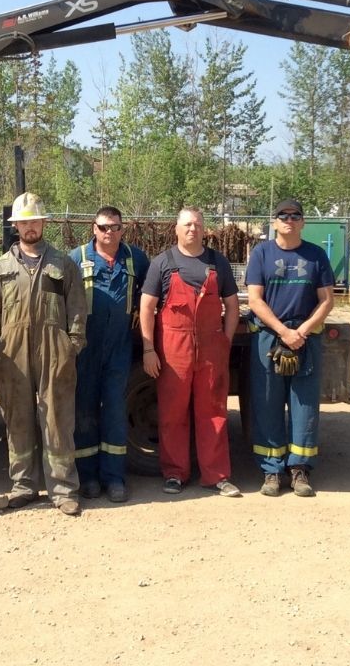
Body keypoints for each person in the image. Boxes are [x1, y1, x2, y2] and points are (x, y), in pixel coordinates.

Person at [0, 192, 86, 516]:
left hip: (55, 350)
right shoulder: (0, 268)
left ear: (44, 223)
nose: (30, 227)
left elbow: (77, 310)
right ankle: (24, 485)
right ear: (16, 226)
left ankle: (63, 489)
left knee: (57, 418)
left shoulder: (63, 264)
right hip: (12, 353)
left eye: (35, 221)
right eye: (24, 222)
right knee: (19, 419)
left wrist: (72, 345)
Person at [140, 207, 241, 497]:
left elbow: (232, 306)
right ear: (176, 229)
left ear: (204, 229)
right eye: (187, 225)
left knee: (213, 412)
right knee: (172, 413)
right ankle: (174, 473)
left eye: (197, 224)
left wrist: (226, 340)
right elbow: (147, 307)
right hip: (174, 350)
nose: (192, 230)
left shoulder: (216, 263)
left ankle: (217, 475)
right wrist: (149, 349)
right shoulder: (162, 263)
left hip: (211, 348)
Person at [245, 199, 335, 498]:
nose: (289, 220)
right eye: (283, 216)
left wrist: (301, 332)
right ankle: (271, 470)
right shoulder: (262, 253)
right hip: (270, 336)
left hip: (305, 337)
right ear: (274, 222)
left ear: (303, 222)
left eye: (295, 216)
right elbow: (255, 300)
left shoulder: (316, 255)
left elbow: (326, 300)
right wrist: (283, 331)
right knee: (267, 402)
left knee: (304, 404)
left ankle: (299, 470)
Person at [69, 206, 150, 503]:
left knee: (115, 410)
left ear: (122, 229)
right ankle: (88, 477)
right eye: (103, 227)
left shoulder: (135, 258)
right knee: (85, 411)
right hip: (86, 349)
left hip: (118, 348)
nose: (109, 232)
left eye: (114, 227)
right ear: (93, 228)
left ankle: (114, 478)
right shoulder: (76, 258)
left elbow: (151, 290)